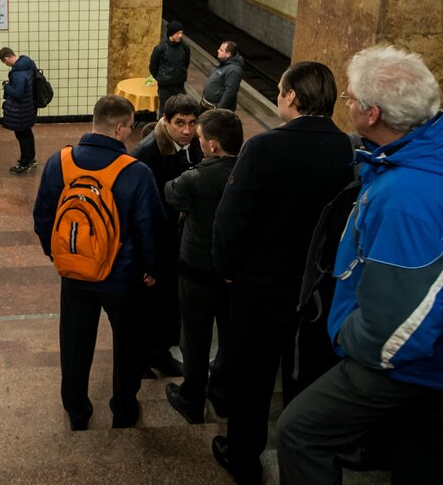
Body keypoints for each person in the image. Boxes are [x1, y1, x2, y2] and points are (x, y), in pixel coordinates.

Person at [278, 46, 443, 485]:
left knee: (300, 430)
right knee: (416, 447)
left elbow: (397, 326)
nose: (349, 104)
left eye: (352, 98)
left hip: (409, 362)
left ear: (372, 114)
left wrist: (345, 334)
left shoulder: (407, 196)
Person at [210, 61, 355, 485]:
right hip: (319, 293)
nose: (278, 96)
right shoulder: (349, 150)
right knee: (307, 378)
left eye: (279, 90)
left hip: (260, 289)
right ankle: (301, 459)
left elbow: (231, 221)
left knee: (251, 377)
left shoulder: (265, 148)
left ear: (292, 96)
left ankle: (243, 457)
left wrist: (229, 271)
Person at [32, 95, 162, 431]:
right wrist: (151, 268)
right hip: (123, 276)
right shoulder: (136, 171)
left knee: (75, 344)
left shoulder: (58, 162)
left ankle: (76, 410)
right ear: (119, 128)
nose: (131, 134)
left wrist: (58, 254)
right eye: (130, 128)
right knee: (127, 344)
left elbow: (43, 216)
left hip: (75, 273)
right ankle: (122, 408)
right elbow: (150, 227)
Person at [163, 108, 242, 425]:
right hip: (234, 274)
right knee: (229, 336)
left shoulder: (196, 178)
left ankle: (191, 397)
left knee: (194, 339)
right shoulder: (248, 173)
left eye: (198, 136)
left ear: (211, 146)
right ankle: (222, 392)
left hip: (196, 271)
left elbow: (170, 193)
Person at [130, 94, 204, 379]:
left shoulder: (194, 143)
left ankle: (160, 354)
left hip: (179, 240)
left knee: (170, 304)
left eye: (192, 123)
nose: (187, 130)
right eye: (180, 123)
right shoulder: (144, 155)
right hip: (155, 242)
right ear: (165, 121)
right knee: (150, 306)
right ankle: (141, 360)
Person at [0, 47, 37, 174]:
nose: (6, 65)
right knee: (27, 133)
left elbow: (18, 94)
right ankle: (31, 159)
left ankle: (24, 163)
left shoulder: (18, 73)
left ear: (7, 58)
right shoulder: (28, 64)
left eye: (5, 62)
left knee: (22, 136)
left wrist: (6, 86)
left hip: (20, 110)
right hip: (28, 107)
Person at [149, 20, 191, 114]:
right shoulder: (160, 48)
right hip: (165, 87)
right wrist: (160, 78)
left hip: (179, 85)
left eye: (181, 33)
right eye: (177, 33)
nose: (180, 36)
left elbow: (186, 62)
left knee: (182, 109)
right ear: (171, 34)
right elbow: (153, 67)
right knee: (165, 111)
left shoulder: (185, 46)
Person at [202, 41, 245, 111]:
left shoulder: (234, 70)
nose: (218, 50)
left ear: (228, 54)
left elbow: (230, 92)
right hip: (208, 105)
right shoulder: (224, 64)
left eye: (221, 50)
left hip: (216, 110)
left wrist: (218, 109)